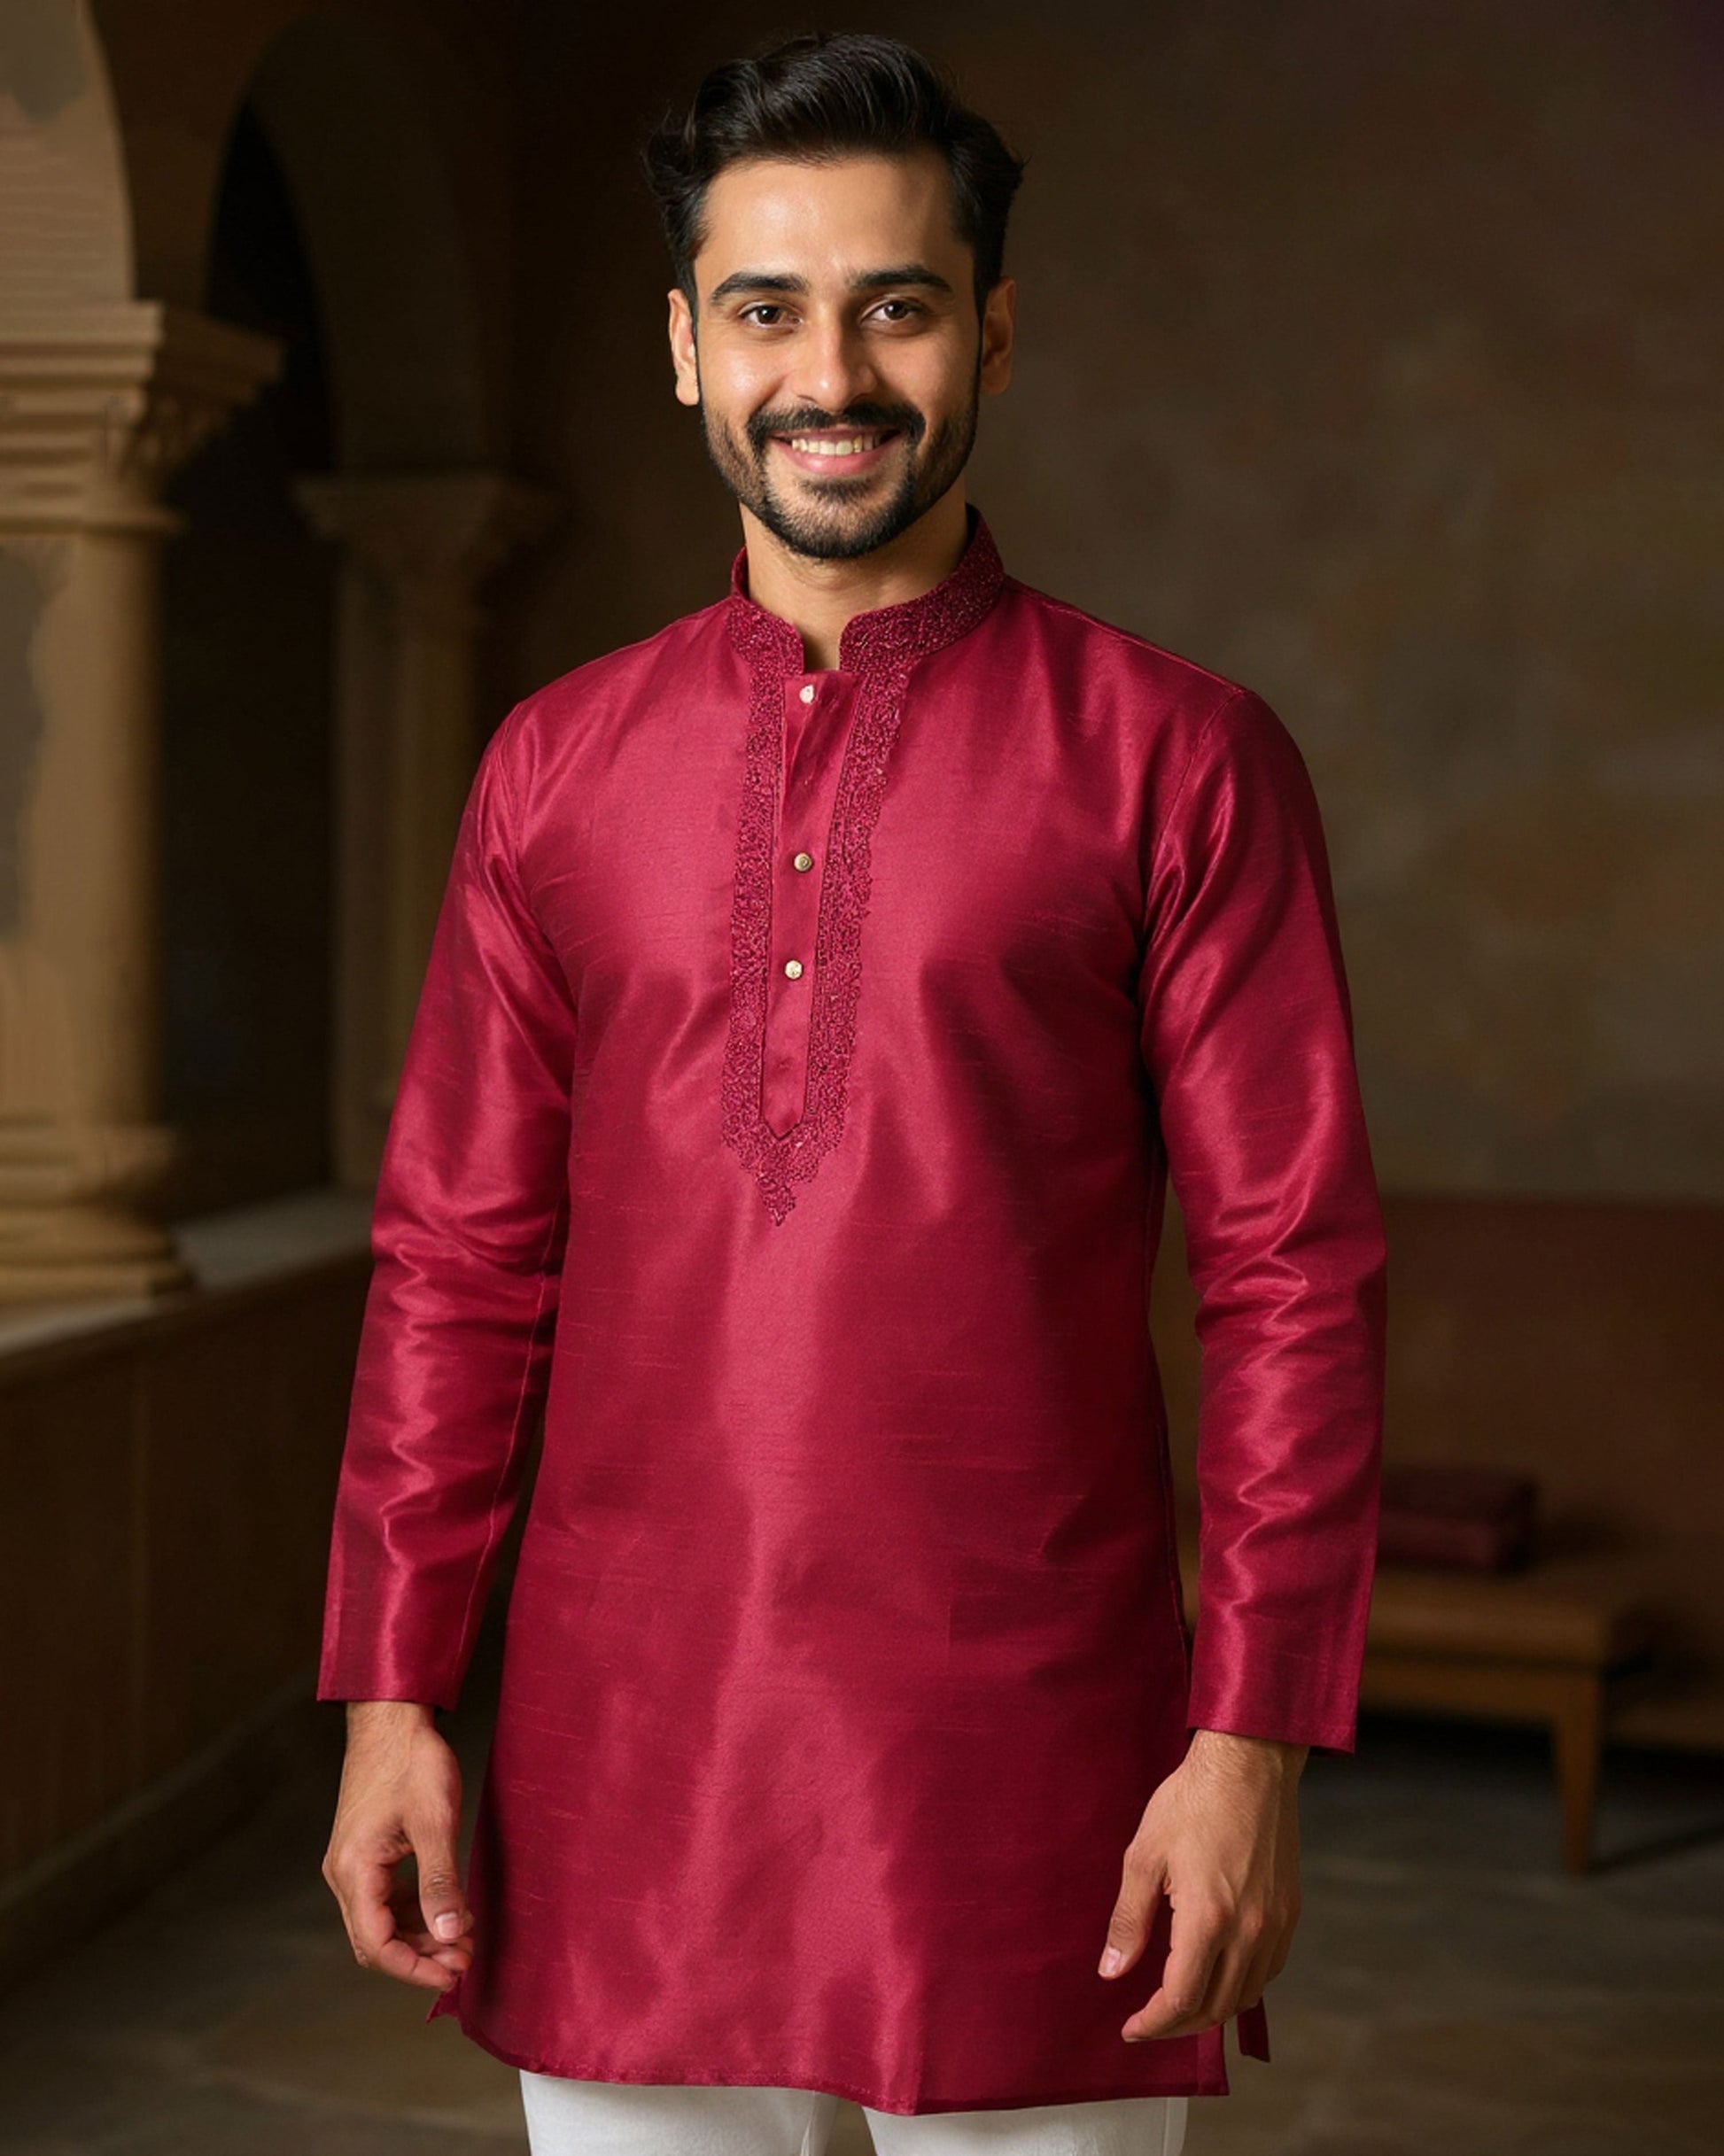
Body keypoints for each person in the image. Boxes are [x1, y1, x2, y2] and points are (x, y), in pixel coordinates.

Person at [315, 29, 1386, 2156]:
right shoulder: (554, 765)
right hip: (625, 1759)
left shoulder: (1175, 757)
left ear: (990, 327)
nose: (833, 371)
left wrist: (1249, 1741)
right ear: (685, 351)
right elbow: (455, 1257)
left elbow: (1294, 1271)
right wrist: (389, 1693)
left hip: (1035, 1769)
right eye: (768, 310)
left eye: (895, 304)